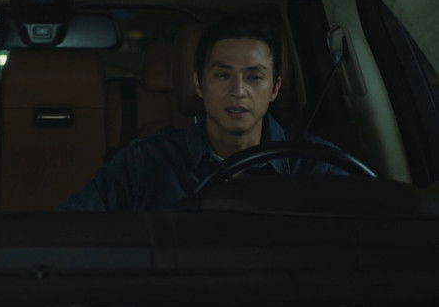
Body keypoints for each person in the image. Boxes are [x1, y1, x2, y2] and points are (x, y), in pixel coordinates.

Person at [60, 18, 346, 211]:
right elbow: (74, 230)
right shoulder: (146, 162)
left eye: (254, 77)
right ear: (199, 83)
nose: (238, 91)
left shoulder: (316, 165)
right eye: (223, 75)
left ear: (274, 89)